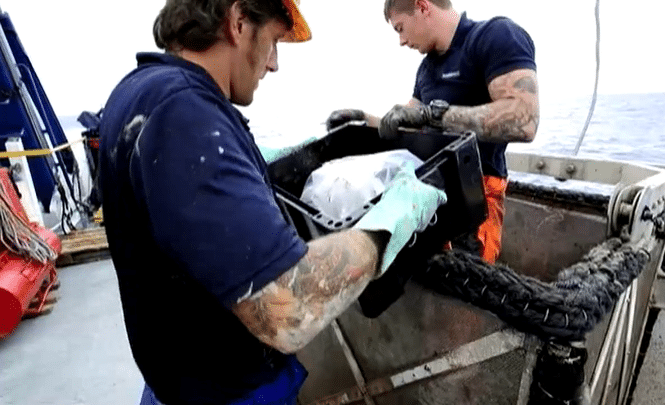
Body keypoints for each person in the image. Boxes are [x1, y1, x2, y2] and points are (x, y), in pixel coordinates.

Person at [97, 1, 446, 404]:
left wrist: (249, 162)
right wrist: (386, 226)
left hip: (177, 379)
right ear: (239, 20)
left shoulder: (138, 89)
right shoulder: (183, 111)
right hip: (224, 393)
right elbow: (289, 307)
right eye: (275, 40)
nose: (274, 64)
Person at [327, 0, 539, 264]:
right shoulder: (426, 69)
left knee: (469, 286)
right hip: (428, 190)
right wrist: (363, 120)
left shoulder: (494, 36)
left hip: (477, 193)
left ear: (423, 6)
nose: (402, 41)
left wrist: (434, 116)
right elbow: (408, 120)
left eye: (400, 28)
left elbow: (525, 119)